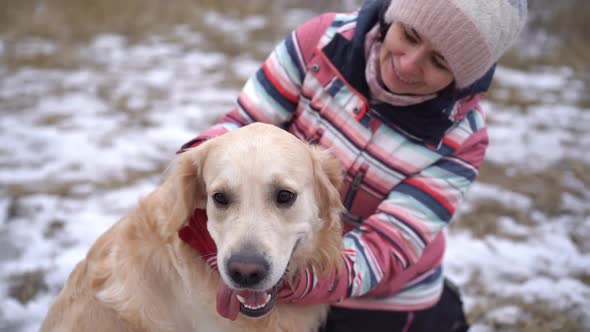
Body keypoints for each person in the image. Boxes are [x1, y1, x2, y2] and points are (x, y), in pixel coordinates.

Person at [177, 0, 528, 331]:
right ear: (392, 15)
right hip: (276, 247)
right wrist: (194, 170)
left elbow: (385, 247)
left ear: (462, 77)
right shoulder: (320, 42)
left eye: (438, 61)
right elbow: (242, 125)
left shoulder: (462, 141)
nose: (408, 65)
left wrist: (287, 277)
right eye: (409, 35)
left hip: (378, 296)